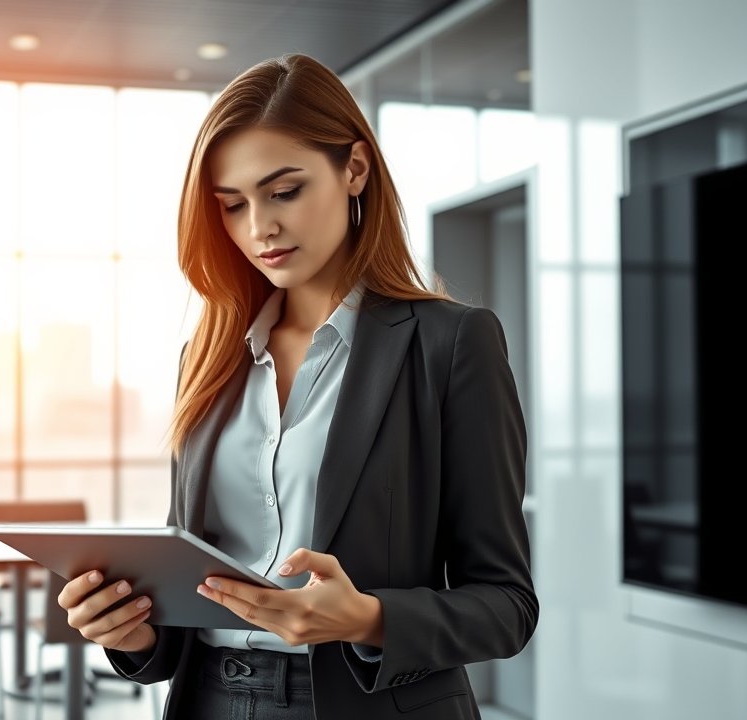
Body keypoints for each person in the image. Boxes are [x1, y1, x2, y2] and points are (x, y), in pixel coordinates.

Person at [57, 53, 536, 720]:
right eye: (232, 205)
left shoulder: (451, 344)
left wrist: (366, 618)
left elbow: (507, 607)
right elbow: (185, 599)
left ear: (355, 170)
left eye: (284, 192)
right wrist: (131, 629)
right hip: (210, 702)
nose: (260, 228)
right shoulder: (206, 358)